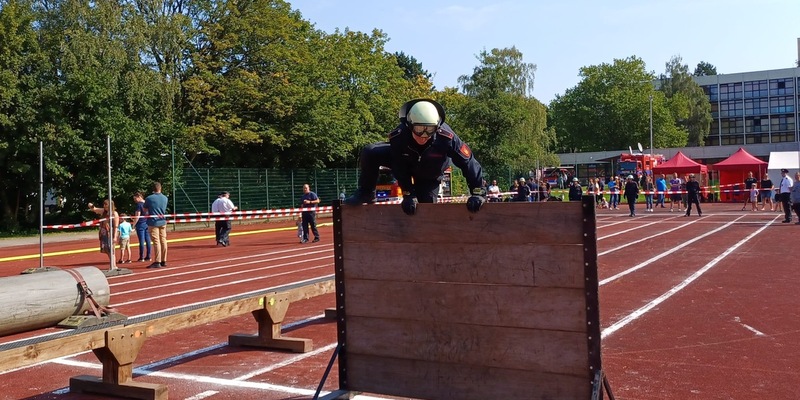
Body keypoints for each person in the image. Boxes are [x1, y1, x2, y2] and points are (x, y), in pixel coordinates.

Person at [344, 99, 485, 215]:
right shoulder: (399, 137)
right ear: (410, 125)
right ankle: (366, 192)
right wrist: (408, 193)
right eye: (419, 129)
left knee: (424, 211)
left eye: (429, 130)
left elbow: (468, 162)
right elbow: (399, 166)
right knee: (370, 151)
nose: (424, 136)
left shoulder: (447, 138)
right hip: (406, 162)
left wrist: (477, 192)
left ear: (436, 127)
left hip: (430, 173)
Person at [144, 181, 169, 268]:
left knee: (156, 241)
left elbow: (145, 209)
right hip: (162, 221)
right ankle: (164, 260)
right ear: (160, 188)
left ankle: (157, 261)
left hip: (153, 222)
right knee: (163, 240)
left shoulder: (149, 198)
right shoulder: (165, 198)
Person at [88, 199, 119, 263]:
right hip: (104, 233)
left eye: (106, 204)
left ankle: (114, 265)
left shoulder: (114, 213)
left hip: (111, 233)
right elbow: (94, 209)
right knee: (107, 250)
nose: (104, 206)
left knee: (111, 250)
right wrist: (91, 205)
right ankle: (112, 264)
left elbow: (116, 226)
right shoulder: (103, 211)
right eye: (104, 204)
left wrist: (115, 237)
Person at [132, 191, 151, 262]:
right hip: (147, 223)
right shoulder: (147, 203)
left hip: (140, 224)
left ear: (139, 197)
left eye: (135, 199)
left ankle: (141, 257)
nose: (135, 201)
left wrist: (133, 225)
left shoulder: (139, 205)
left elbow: (137, 216)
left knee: (141, 241)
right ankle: (148, 256)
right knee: (148, 240)